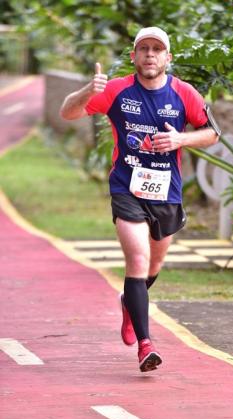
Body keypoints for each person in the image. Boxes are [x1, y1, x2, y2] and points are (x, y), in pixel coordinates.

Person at [60, 26, 221, 373]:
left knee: (153, 265)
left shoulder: (184, 93)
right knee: (138, 257)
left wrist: (180, 140)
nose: (150, 55)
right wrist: (90, 89)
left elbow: (212, 133)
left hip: (167, 191)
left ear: (168, 58)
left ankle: (129, 303)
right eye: (143, 49)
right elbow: (68, 113)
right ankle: (146, 346)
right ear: (133, 56)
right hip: (126, 187)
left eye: (157, 49)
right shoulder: (117, 90)